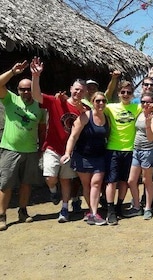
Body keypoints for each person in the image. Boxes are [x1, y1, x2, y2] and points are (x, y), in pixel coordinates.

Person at [31, 57, 88, 223]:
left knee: (66, 180)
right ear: (71, 88)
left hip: (70, 151)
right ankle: (52, 189)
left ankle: (64, 209)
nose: (78, 93)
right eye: (76, 89)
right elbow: (36, 96)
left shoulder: (84, 110)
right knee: (50, 176)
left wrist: (82, 111)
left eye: (81, 91)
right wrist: (36, 76)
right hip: (52, 147)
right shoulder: (56, 101)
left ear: (85, 93)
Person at [103, 80, 153, 225]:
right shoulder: (112, 107)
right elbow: (99, 102)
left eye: (129, 92)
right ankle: (118, 209)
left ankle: (140, 207)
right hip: (121, 149)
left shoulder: (142, 111)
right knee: (120, 181)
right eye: (123, 92)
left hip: (138, 150)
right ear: (119, 93)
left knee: (136, 181)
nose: (126, 94)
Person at [0, 61, 46, 230]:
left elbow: (41, 130)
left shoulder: (39, 106)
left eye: (28, 89)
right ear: (18, 90)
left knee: (27, 183)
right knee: (6, 184)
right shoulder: (10, 99)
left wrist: (41, 148)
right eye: (22, 89)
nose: (26, 91)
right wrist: (13, 71)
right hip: (10, 150)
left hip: (30, 151)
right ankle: (2, 216)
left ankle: (23, 211)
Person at [60, 92, 109, 226]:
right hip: (83, 156)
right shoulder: (85, 117)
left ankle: (93, 213)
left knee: (96, 183)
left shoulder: (107, 117)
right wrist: (67, 153)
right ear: (92, 102)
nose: (100, 103)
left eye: (103, 101)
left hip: (99, 156)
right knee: (86, 185)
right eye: (97, 101)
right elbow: (73, 136)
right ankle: (93, 212)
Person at [125, 93, 153, 220]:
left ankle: (148, 208)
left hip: (148, 152)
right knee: (131, 181)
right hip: (136, 150)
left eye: (148, 102)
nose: (145, 104)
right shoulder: (139, 113)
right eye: (143, 101)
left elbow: (151, 138)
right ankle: (137, 206)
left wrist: (147, 124)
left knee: (147, 181)